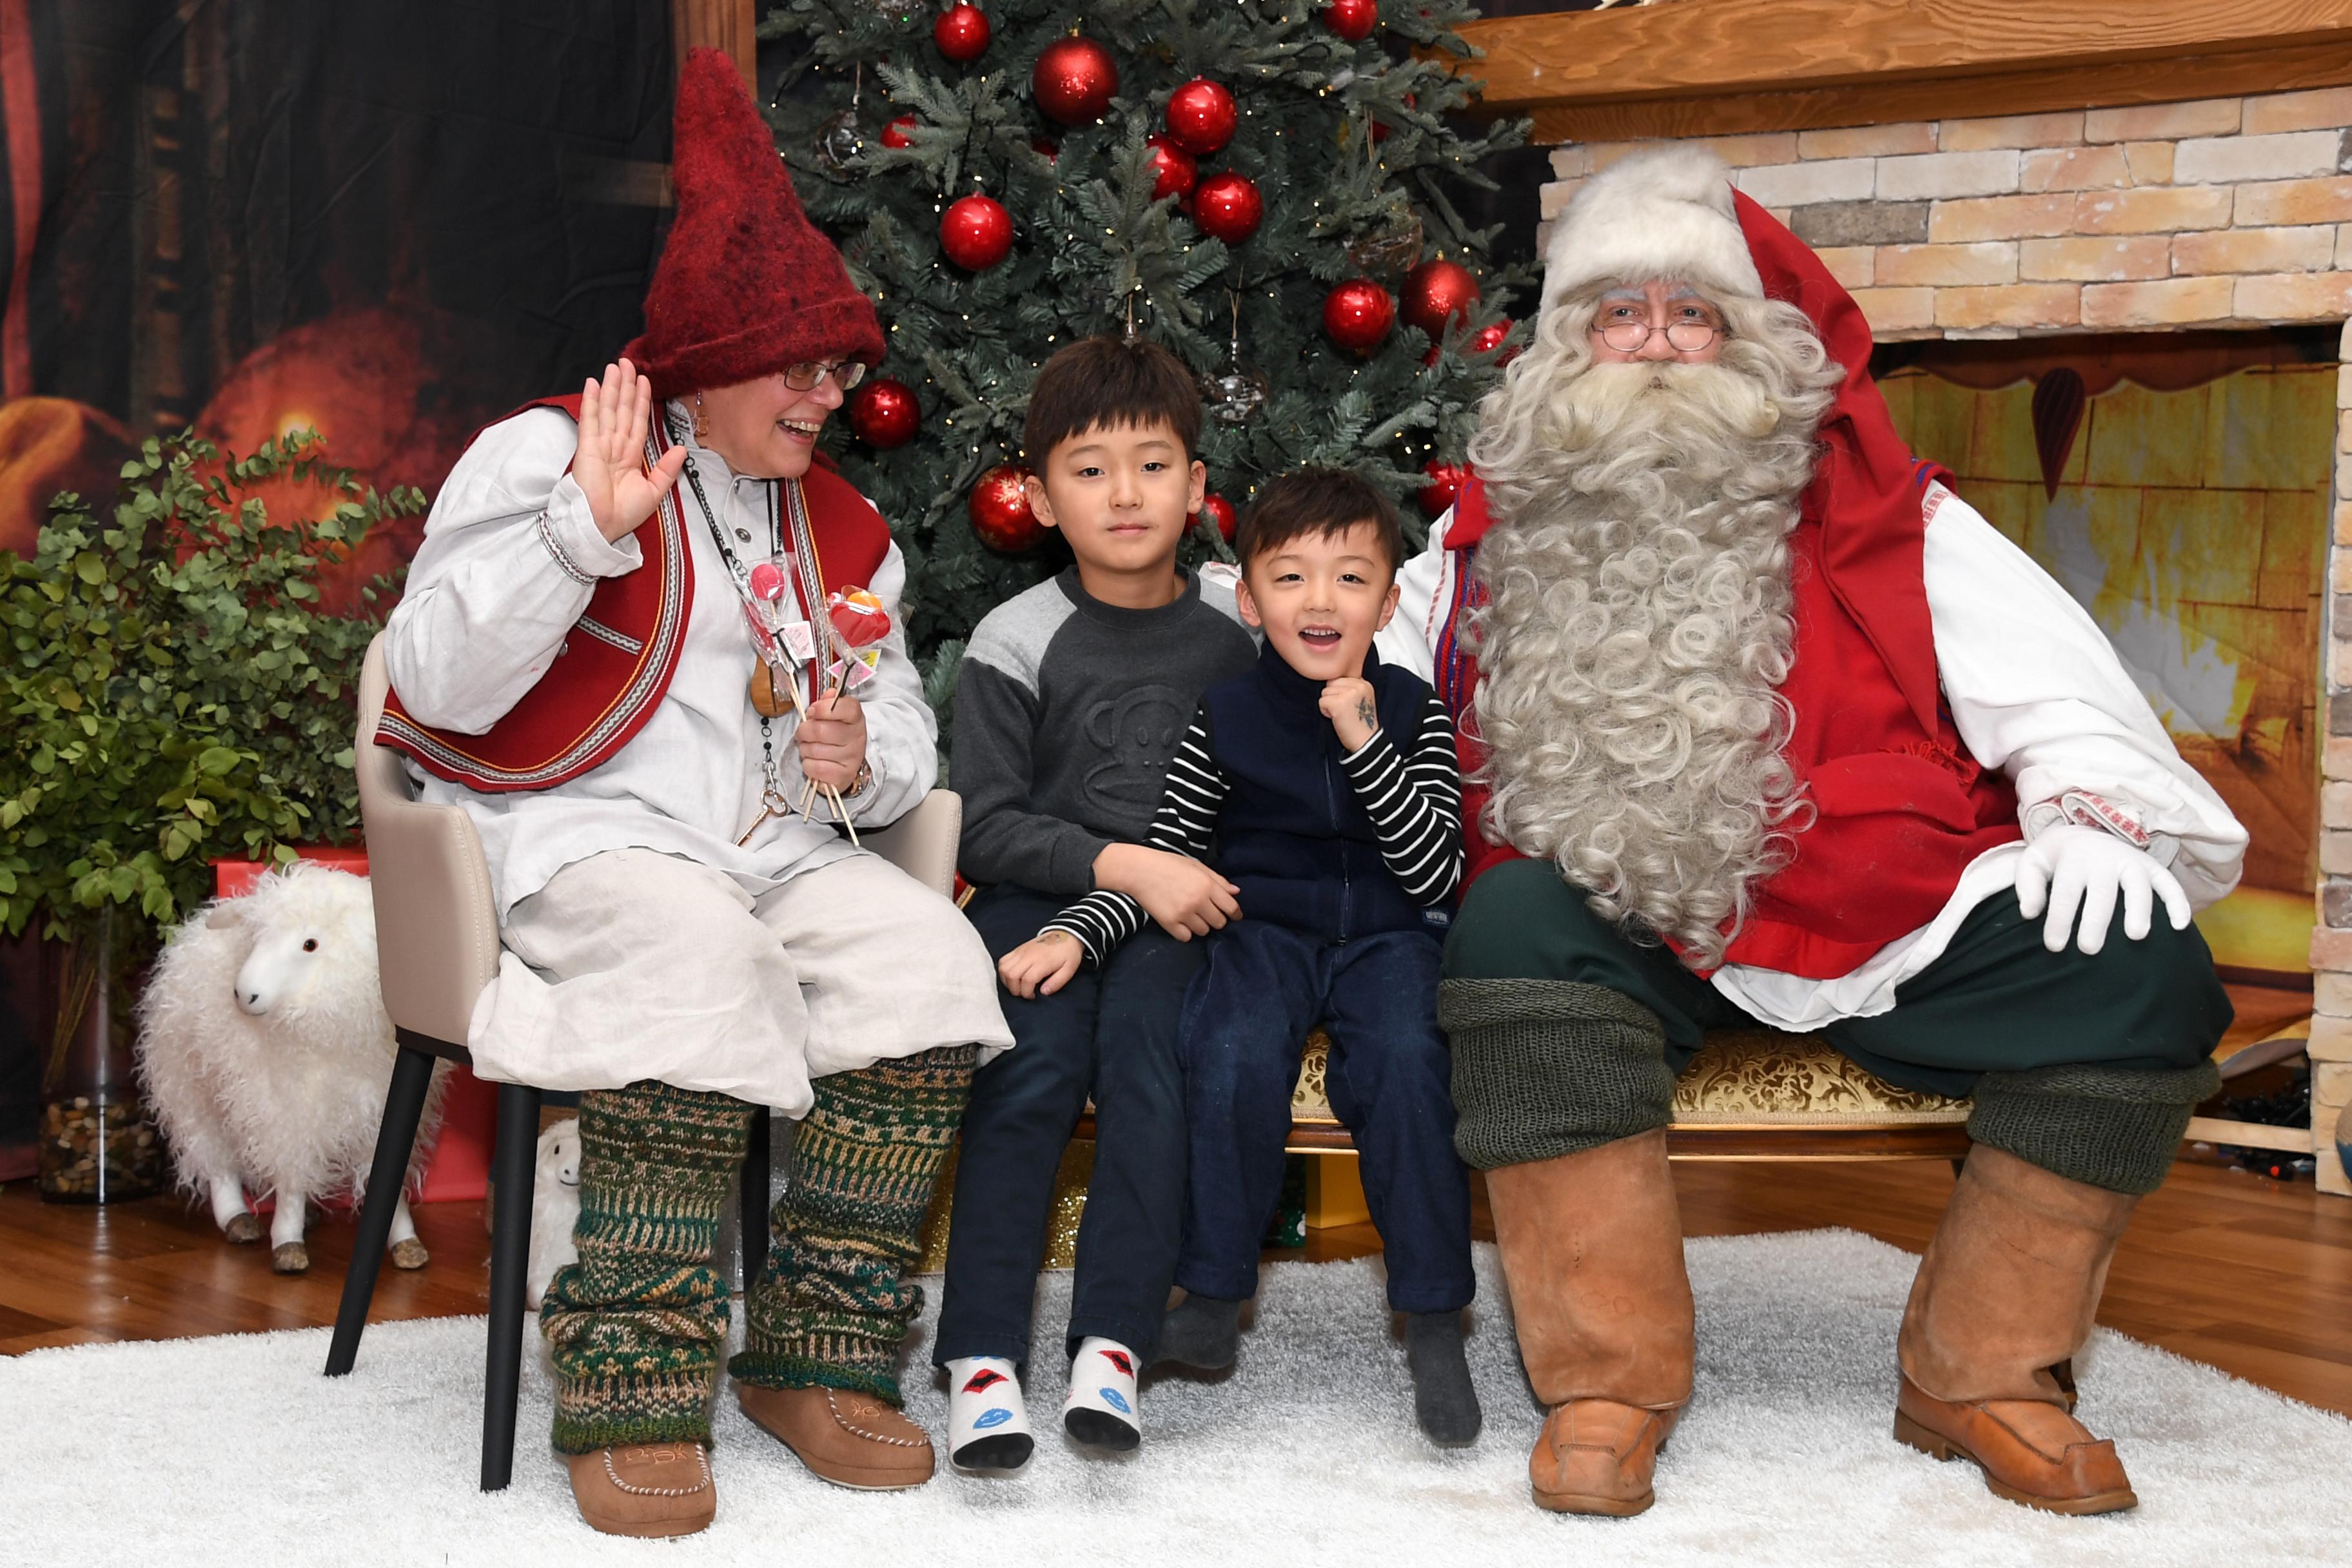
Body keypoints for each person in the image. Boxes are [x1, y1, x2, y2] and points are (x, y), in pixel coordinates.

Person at [1375, 145, 2246, 1518]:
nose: (1655, 344)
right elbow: (1358, 708)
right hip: (1630, 912)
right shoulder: (1478, 545)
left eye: (1691, 312)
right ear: (1564, 347)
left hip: (1885, 904)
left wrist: (2091, 812)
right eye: (1620, 312)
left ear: (1749, 341)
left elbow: (2059, 686)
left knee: (2142, 966)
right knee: (1514, 922)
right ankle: (1608, 1381)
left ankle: (1983, 1372)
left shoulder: (1893, 516)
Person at [377, 50, 1012, 1538]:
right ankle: (635, 1381)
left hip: (787, 850)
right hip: (584, 842)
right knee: (696, 955)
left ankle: (816, 1351)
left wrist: (877, 757)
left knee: (933, 959)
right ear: (707, 357)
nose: (827, 395)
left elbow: (900, 706)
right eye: (797, 366)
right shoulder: (549, 454)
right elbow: (427, 679)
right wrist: (574, 539)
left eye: (839, 368)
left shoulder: (845, 526)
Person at [1021, 468, 1481, 1447]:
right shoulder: (1223, 714)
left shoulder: (1412, 709)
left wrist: (1362, 739)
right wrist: (1079, 929)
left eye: (1351, 579)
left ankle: (1436, 1319)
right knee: (1226, 1052)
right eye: (1291, 577)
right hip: (1264, 933)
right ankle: (1215, 1296)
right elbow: (1169, 860)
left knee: (1406, 1065)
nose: (1321, 601)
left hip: (1392, 935)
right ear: (1250, 597)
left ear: (1388, 601)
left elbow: (1436, 873)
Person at [935, 335, 1257, 1469]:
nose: (1126, 494)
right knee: (1025, 1075)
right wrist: (1121, 867)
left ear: (1197, 489)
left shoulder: (1240, 631)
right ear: (1035, 497)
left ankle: (1112, 1348)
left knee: (1151, 1072)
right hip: (1036, 906)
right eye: (1089, 468)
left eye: (1154, 464)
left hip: (1187, 919)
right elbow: (984, 820)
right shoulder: (1014, 638)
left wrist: (1169, 887)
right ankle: (979, 1358)